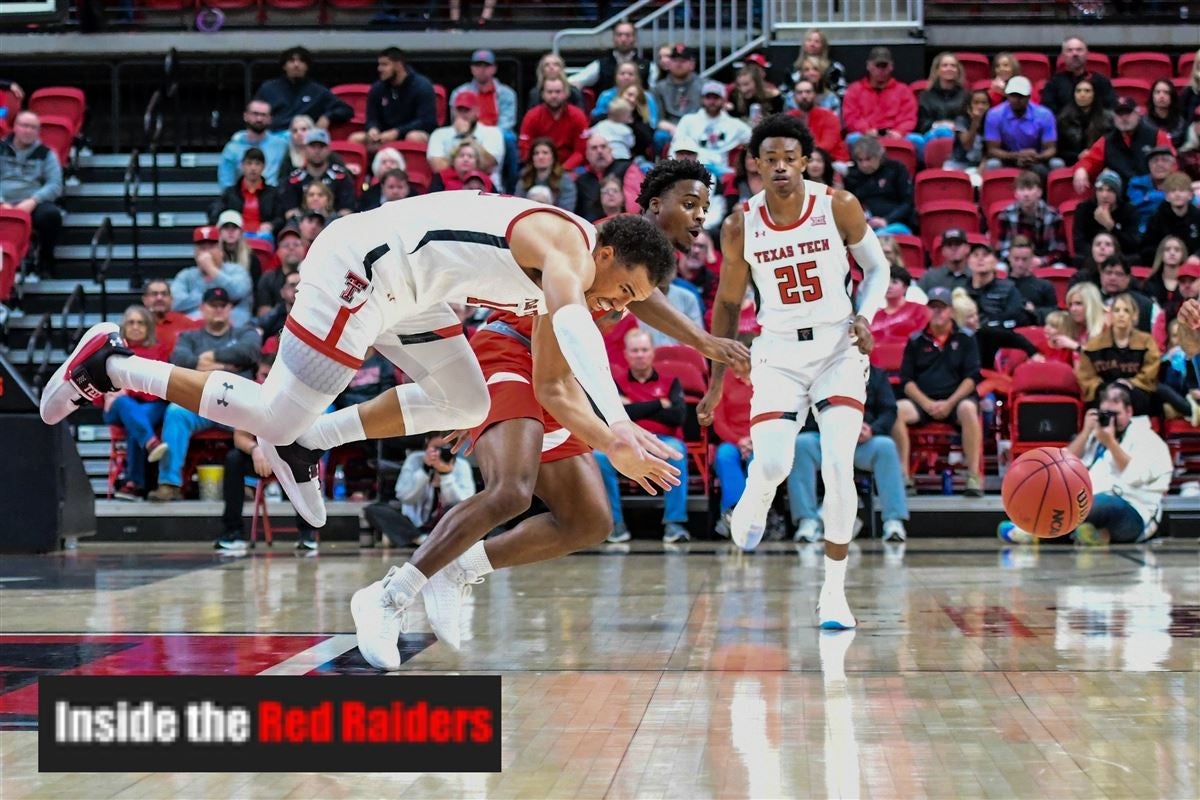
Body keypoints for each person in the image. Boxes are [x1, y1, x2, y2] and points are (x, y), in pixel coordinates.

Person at [43, 195, 686, 653]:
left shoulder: (561, 285)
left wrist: (610, 440)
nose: (617, 307)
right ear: (603, 252)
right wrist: (622, 425)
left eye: (629, 305)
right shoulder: (567, 250)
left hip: (416, 296)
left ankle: (309, 446)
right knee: (273, 412)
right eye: (622, 291)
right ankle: (115, 364)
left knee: (465, 403)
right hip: (362, 267)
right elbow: (577, 327)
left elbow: (552, 385)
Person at [355, 161, 747, 656]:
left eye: (704, 209)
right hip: (509, 351)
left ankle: (458, 567)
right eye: (688, 205)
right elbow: (588, 318)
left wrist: (702, 342)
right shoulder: (590, 243)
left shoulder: (641, 271)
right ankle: (389, 596)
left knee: (588, 521)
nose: (698, 217)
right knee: (510, 491)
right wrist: (481, 401)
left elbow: (639, 305)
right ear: (653, 206)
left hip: (554, 373)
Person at [696, 114, 890, 630]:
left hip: (838, 347)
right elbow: (729, 302)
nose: (780, 167)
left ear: (806, 161)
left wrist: (866, 315)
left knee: (837, 466)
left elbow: (878, 269)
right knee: (775, 463)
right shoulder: (741, 224)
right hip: (777, 351)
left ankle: (834, 593)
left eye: (790, 158)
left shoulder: (838, 206)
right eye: (770, 159)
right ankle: (756, 496)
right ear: (755, 165)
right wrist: (715, 382)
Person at [147, 287, 263, 502]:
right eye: (212, 306)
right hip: (199, 402)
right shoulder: (189, 337)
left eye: (222, 306)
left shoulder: (244, 332)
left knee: (257, 413)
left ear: (230, 309)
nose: (218, 310)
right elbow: (179, 359)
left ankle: (248, 485)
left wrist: (210, 358)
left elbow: (250, 351)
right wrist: (228, 365)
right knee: (175, 412)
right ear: (202, 308)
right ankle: (169, 484)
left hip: (237, 406)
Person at [790, 365, 909, 543]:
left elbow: (889, 411)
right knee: (802, 444)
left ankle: (893, 522)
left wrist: (872, 430)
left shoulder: (876, 375)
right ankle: (808, 520)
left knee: (886, 446)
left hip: (863, 443)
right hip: (826, 441)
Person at [593, 329, 690, 544]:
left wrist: (632, 407)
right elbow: (610, 416)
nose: (640, 355)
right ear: (626, 354)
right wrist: (658, 405)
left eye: (644, 350)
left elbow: (678, 416)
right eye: (635, 350)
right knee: (599, 457)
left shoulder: (671, 381)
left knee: (676, 452)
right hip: (626, 441)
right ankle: (615, 523)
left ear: (653, 352)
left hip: (662, 440)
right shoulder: (615, 382)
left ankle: (675, 523)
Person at [217, 356, 319, 552]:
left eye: (272, 376)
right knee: (233, 459)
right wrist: (256, 450)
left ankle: (308, 533)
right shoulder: (250, 398)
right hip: (261, 461)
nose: (267, 381)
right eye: (263, 375)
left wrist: (274, 453)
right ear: (256, 376)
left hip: (291, 456)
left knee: (304, 459)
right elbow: (240, 436)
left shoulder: (296, 399)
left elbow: (305, 438)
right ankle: (232, 532)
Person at [891, 286, 984, 497]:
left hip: (956, 400)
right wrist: (926, 403)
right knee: (896, 410)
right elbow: (906, 381)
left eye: (941, 308)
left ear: (950, 311)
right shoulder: (916, 340)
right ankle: (904, 476)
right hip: (923, 401)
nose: (937, 313)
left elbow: (972, 378)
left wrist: (949, 403)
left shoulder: (966, 338)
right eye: (933, 308)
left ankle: (973, 476)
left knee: (969, 408)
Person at [1063, 383, 1172, 545]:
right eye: (1105, 415)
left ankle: (1041, 530)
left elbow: (1135, 476)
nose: (1110, 421)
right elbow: (1063, 465)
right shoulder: (1095, 435)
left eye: (1115, 415)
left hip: (1132, 511)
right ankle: (1092, 534)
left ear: (1129, 412)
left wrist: (1110, 443)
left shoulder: (1148, 439)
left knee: (1100, 504)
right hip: (1090, 506)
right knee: (1055, 494)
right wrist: (1085, 432)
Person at [105, 306, 171, 501]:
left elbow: (159, 386)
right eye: (131, 322)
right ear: (123, 327)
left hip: (154, 404)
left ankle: (135, 482)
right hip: (119, 406)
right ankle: (150, 443)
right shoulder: (112, 351)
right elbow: (102, 387)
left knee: (136, 418)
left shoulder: (159, 350)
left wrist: (126, 389)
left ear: (148, 327)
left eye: (140, 323)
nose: (135, 327)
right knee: (127, 405)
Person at [0, 110, 63, 279]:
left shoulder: (47, 153)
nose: (28, 131)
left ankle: (45, 261)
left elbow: (55, 185)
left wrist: (33, 201)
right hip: (2, 202)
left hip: (31, 203)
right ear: (14, 127)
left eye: (33, 127)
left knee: (51, 215)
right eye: (24, 126)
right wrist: (1, 203)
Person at [1076, 293, 1159, 414]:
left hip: (1135, 392)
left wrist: (1130, 383)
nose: (1121, 314)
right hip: (1103, 392)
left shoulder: (1146, 342)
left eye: (1126, 311)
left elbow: (1150, 372)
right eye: (1116, 310)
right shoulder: (1093, 345)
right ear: (1110, 315)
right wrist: (1108, 388)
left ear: (1134, 316)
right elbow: (1086, 377)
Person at [1071, 98, 1176, 195]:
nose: (1124, 118)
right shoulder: (1106, 141)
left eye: (1128, 113)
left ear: (1137, 114)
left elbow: (1172, 164)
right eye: (1120, 114)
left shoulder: (1156, 135)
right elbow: (1090, 160)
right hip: (1120, 198)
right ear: (1114, 117)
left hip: (1151, 193)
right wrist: (1081, 170)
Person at [351, 47, 436, 150]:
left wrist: (397, 132)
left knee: (414, 137)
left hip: (411, 132)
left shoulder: (422, 86)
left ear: (398, 65)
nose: (379, 69)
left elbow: (426, 121)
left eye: (384, 65)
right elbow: (372, 118)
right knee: (355, 138)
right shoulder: (377, 88)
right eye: (379, 65)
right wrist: (373, 129)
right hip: (383, 135)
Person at [254, 46, 352, 134]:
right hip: (275, 136)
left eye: (301, 61)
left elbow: (346, 110)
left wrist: (327, 117)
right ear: (284, 66)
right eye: (292, 61)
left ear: (307, 66)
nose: (296, 65)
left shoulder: (318, 91)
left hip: (305, 140)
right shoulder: (268, 88)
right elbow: (254, 113)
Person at [841, 47, 921, 154]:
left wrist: (899, 132)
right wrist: (866, 130)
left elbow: (909, 117)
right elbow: (851, 117)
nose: (881, 70)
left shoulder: (903, 90)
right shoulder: (854, 90)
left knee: (917, 140)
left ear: (891, 66)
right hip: (866, 134)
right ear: (868, 66)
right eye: (877, 66)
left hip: (896, 134)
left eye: (885, 66)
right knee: (852, 139)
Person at [171, 226, 254, 325]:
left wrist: (211, 269)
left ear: (221, 251)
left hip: (234, 329)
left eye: (211, 247)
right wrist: (213, 297)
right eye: (202, 248)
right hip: (195, 329)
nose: (207, 253)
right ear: (195, 253)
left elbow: (238, 292)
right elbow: (174, 303)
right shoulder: (186, 275)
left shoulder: (236, 270)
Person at [983, 76, 1063, 177]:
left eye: (1021, 96)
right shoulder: (994, 114)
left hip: (1036, 159)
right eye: (1013, 95)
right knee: (992, 164)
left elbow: (1051, 149)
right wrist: (1015, 156)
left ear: (1029, 97)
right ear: (1007, 96)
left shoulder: (1044, 114)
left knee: (1057, 164)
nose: (1017, 100)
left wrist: (1036, 157)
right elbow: (992, 149)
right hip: (1007, 158)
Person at [673, 80, 752, 179]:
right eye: (708, 97)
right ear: (702, 99)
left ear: (724, 100)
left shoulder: (734, 124)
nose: (712, 101)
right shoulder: (688, 120)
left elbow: (753, 138)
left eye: (716, 97)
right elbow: (675, 146)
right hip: (693, 169)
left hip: (721, 171)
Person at [426, 90, 504, 188]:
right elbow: (438, 167)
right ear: (453, 112)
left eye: (467, 110)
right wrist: (471, 160)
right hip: (448, 189)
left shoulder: (493, 132)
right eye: (459, 110)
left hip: (485, 189)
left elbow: (487, 165)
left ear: (477, 112)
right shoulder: (438, 134)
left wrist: (465, 136)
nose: (463, 114)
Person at [843, 135, 914, 235]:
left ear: (879, 156)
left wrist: (886, 220)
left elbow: (907, 203)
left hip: (895, 223)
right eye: (860, 160)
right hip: (864, 227)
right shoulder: (852, 175)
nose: (864, 165)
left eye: (868, 159)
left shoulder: (896, 169)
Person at [994, 170, 1067, 266]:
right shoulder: (1006, 215)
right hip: (1015, 262)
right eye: (1021, 189)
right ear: (1015, 193)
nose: (1026, 194)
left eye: (1030, 189)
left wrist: (1042, 261)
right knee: (1000, 267)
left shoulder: (1053, 215)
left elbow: (1059, 249)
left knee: (1059, 267)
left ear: (1039, 192)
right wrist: (1018, 261)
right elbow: (1003, 247)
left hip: (1043, 260)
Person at [280, 129, 356, 221]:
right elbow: (289, 212)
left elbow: (347, 211)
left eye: (321, 146)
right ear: (305, 149)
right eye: (313, 146)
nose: (317, 151)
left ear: (329, 149)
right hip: (303, 227)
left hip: (334, 227)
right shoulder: (294, 179)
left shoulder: (341, 177)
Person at [518, 77, 589, 171]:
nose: (554, 95)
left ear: (566, 93)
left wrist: (562, 170)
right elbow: (525, 148)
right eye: (549, 92)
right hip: (538, 167)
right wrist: (541, 167)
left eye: (558, 92)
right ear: (542, 94)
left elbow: (580, 152)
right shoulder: (532, 116)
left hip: (570, 168)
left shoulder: (578, 115)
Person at [217, 100, 289, 191]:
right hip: (242, 200)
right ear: (246, 116)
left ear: (270, 119)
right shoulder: (232, 149)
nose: (259, 119)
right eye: (255, 114)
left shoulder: (280, 144)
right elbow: (226, 183)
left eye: (263, 115)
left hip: (273, 200)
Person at [1071, 170, 1140, 260]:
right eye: (1100, 190)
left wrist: (1110, 226)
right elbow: (1079, 242)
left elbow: (1133, 246)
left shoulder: (1129, 211)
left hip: (1120, 258)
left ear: (1117, 194)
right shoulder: (1084, 209)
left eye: (1110, 190)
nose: (1104, 195)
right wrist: (1098, 255)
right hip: (1091, 258)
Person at [568, 20, 651, 94]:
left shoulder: (648, 66)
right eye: (619, 35)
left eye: (628, 35)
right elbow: (573, 81)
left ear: (635, 38)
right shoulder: (600, 65)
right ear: (613, 38)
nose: (623, 39)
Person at [215, 148, 282, 239]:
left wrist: (271, 225)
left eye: (257, 164)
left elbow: (280, 218)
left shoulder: (273, 193)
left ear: (264, 167)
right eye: (249, 163)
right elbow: (216, 213)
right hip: (237, 237)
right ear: (242, 165)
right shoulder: (230, 193)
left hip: (264, 237)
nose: (253, 168)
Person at [1039, 36, 1116, 115]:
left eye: (1079, 50)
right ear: (1063, 55)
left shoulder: (1101, 81)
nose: (1075, 54)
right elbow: (1047, 114)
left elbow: (1111, 110)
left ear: (1086, 54)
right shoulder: (1053, 84)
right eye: (1070, 50)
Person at [1139, 171, 1200, 264]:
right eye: (1173, 190)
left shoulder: (1198, 217)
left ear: (1190, 195)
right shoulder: (1157, 218)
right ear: (1167, 196)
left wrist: (1197, 256)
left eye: (1182, 190)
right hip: (1164, 266)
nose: (1177, 194)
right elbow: (1147, 248)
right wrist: (1165, 255)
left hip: (1193, 266)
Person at [787, 80, 849, 164]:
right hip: (800, 161)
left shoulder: (829, 116)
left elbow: (827, 145)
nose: (804, 96)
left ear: (815, 94)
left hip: (832, 160)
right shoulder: (788, 118)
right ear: (794, 97)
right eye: (799, 92)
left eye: (808, 92)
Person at [1054, 78, 1113, 166]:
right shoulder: (1064, 118)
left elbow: (1112, 146)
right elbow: (1059, 150)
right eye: (1078, 91)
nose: (1082, 95)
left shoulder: (1108, 118)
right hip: (1071, 161)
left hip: (1100, 160)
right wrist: (1077, 156)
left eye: (1087, 91)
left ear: (1094, 94)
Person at [574, 133, 631, 222]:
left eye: (603, 147)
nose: (599, 151)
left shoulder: (626, 168)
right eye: (594, 148)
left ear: (610, 150)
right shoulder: (581, 181)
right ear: (587, 155)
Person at [917, 52, 967, 152]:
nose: (949, 68)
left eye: (953, 66)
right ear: (937, 70)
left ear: (958, 71)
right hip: (930, 135)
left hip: (956, 137)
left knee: (944, 132)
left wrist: (953, 126)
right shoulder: (925, 96)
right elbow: (921, 123)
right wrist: (938, 124)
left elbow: (967, 122)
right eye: (945, 65)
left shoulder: (966, 96)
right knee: (913, 139)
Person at [652, 44, 704, 140]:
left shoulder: (704, 85)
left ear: (692, 64)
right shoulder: (659, 88)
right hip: (670, 127)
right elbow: (658, 119)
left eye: (683, 61)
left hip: (698, 126)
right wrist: (673, 129)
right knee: (659, 137)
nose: (679, 64)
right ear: (669, 63)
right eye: (675, 60)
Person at [1006, 236, 1059, 324]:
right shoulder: (1000, 286)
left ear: (1032, 259)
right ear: (1009, 257)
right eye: (1016, 259)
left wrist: (1035, 311)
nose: (1020, 264)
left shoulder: (1045, 286)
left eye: (1024, 259)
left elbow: (1055, 314)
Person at [514, 136, 576, 212]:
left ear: (553, 157)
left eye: (545, 153)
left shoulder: (565, 180)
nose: (540, 157)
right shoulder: (525, 178)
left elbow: (567, 210)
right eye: (536, 153)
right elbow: (518, 205)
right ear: (532, 158)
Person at [255, 224, 304, 315]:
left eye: (296, 244)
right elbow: (264, 316)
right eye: (286, 245)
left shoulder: (312, 277)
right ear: (278, 252)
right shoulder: (268, 278)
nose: (291, 248)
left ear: (303, 249)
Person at [140, 279, 199, 353]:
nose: (159, 298)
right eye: (154, 294)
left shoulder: (185, 323)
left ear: (171, 299)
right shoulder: (135, 324)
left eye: (164, 294)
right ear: (145, 300)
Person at [872, 266, 930, 341]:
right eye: (886, 282)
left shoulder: (918, 309)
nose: (889, 286)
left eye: (894, 282)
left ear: (905, 287)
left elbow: (924, 337)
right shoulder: (876, 316)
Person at [945, 90, 990, 175]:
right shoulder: (961, 120)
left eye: (984, 103)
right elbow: (967, 145)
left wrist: (983, 165)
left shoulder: (991, 122)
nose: (980, 107)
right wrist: (975, 122)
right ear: (969, 106)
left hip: (979, 165)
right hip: (958, 163)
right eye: (976, 103)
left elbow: (990, 149)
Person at [917, 228, 972, 294]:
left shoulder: (976, 276)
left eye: (958, 244)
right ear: (943, 251)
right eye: (949, 245)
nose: (953, 248)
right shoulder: (930, 277)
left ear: (967, 248)